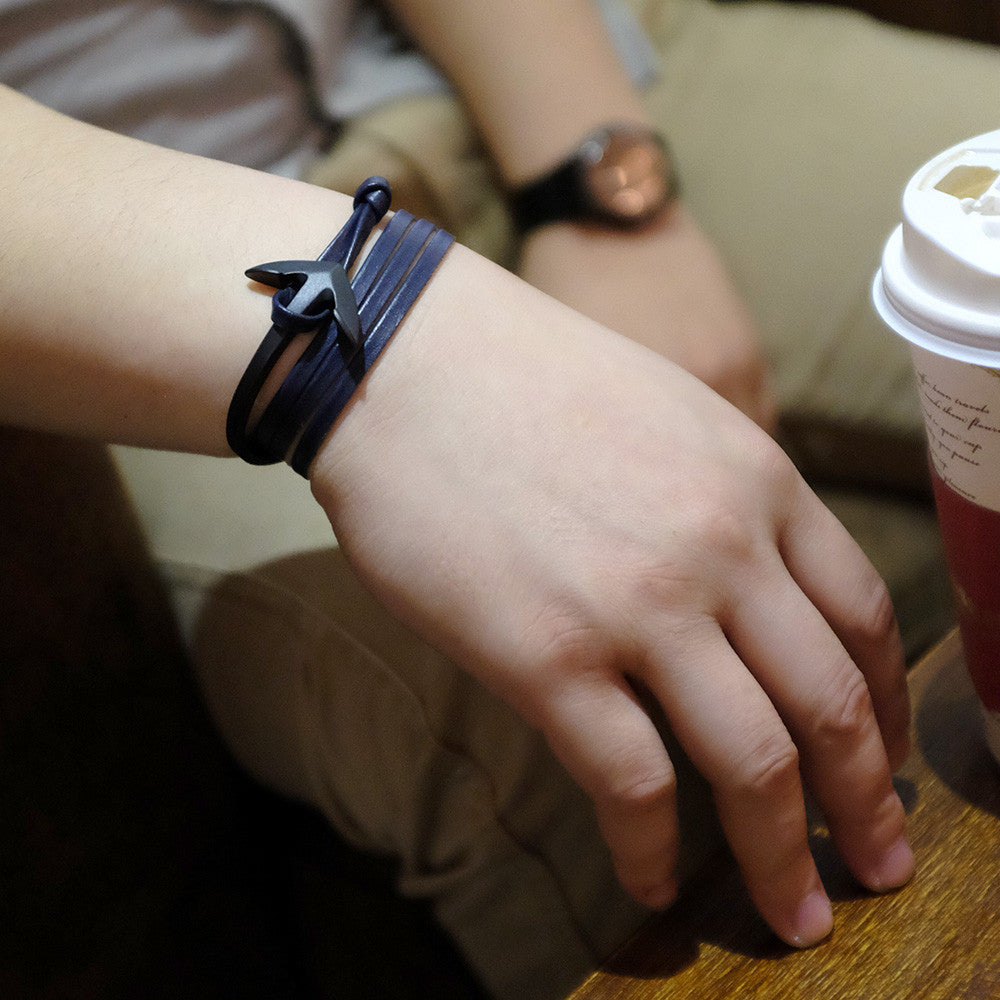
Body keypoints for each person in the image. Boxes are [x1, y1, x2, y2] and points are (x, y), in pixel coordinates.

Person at [1, 1, 997, 997]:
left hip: (486, 61)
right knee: (515, 715)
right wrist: (393, 335)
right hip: (112, 255)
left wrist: (597, 174)